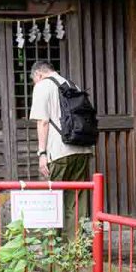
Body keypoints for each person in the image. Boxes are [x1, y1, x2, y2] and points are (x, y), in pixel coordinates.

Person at [29, 60, 93, 236]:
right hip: (82, 149)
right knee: (77, 203)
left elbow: (43, 122)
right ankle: (75, 252)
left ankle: (54, 255)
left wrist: (42, 153)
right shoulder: (72, 85)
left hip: (59, 152)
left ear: (38, 75)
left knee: (53, 202)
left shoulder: (42, 86)